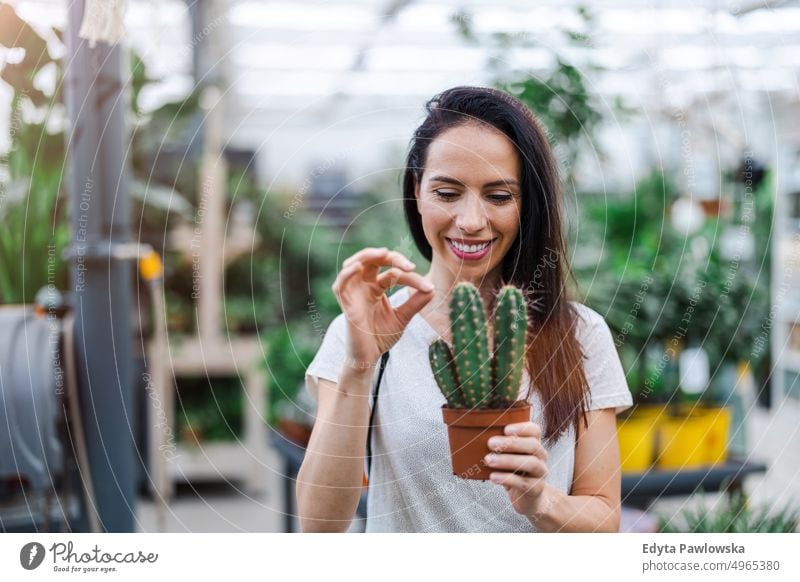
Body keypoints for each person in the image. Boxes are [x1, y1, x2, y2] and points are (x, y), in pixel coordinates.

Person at [296, 86, 632, 533]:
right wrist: (360, 364)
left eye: (498, 196)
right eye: (448, 193)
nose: (472, 221)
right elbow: (319, 526)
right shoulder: (358, 334)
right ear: (417, 192)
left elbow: (604, 520)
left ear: (526, 203)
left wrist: (541, 500)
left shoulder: (581, 333)